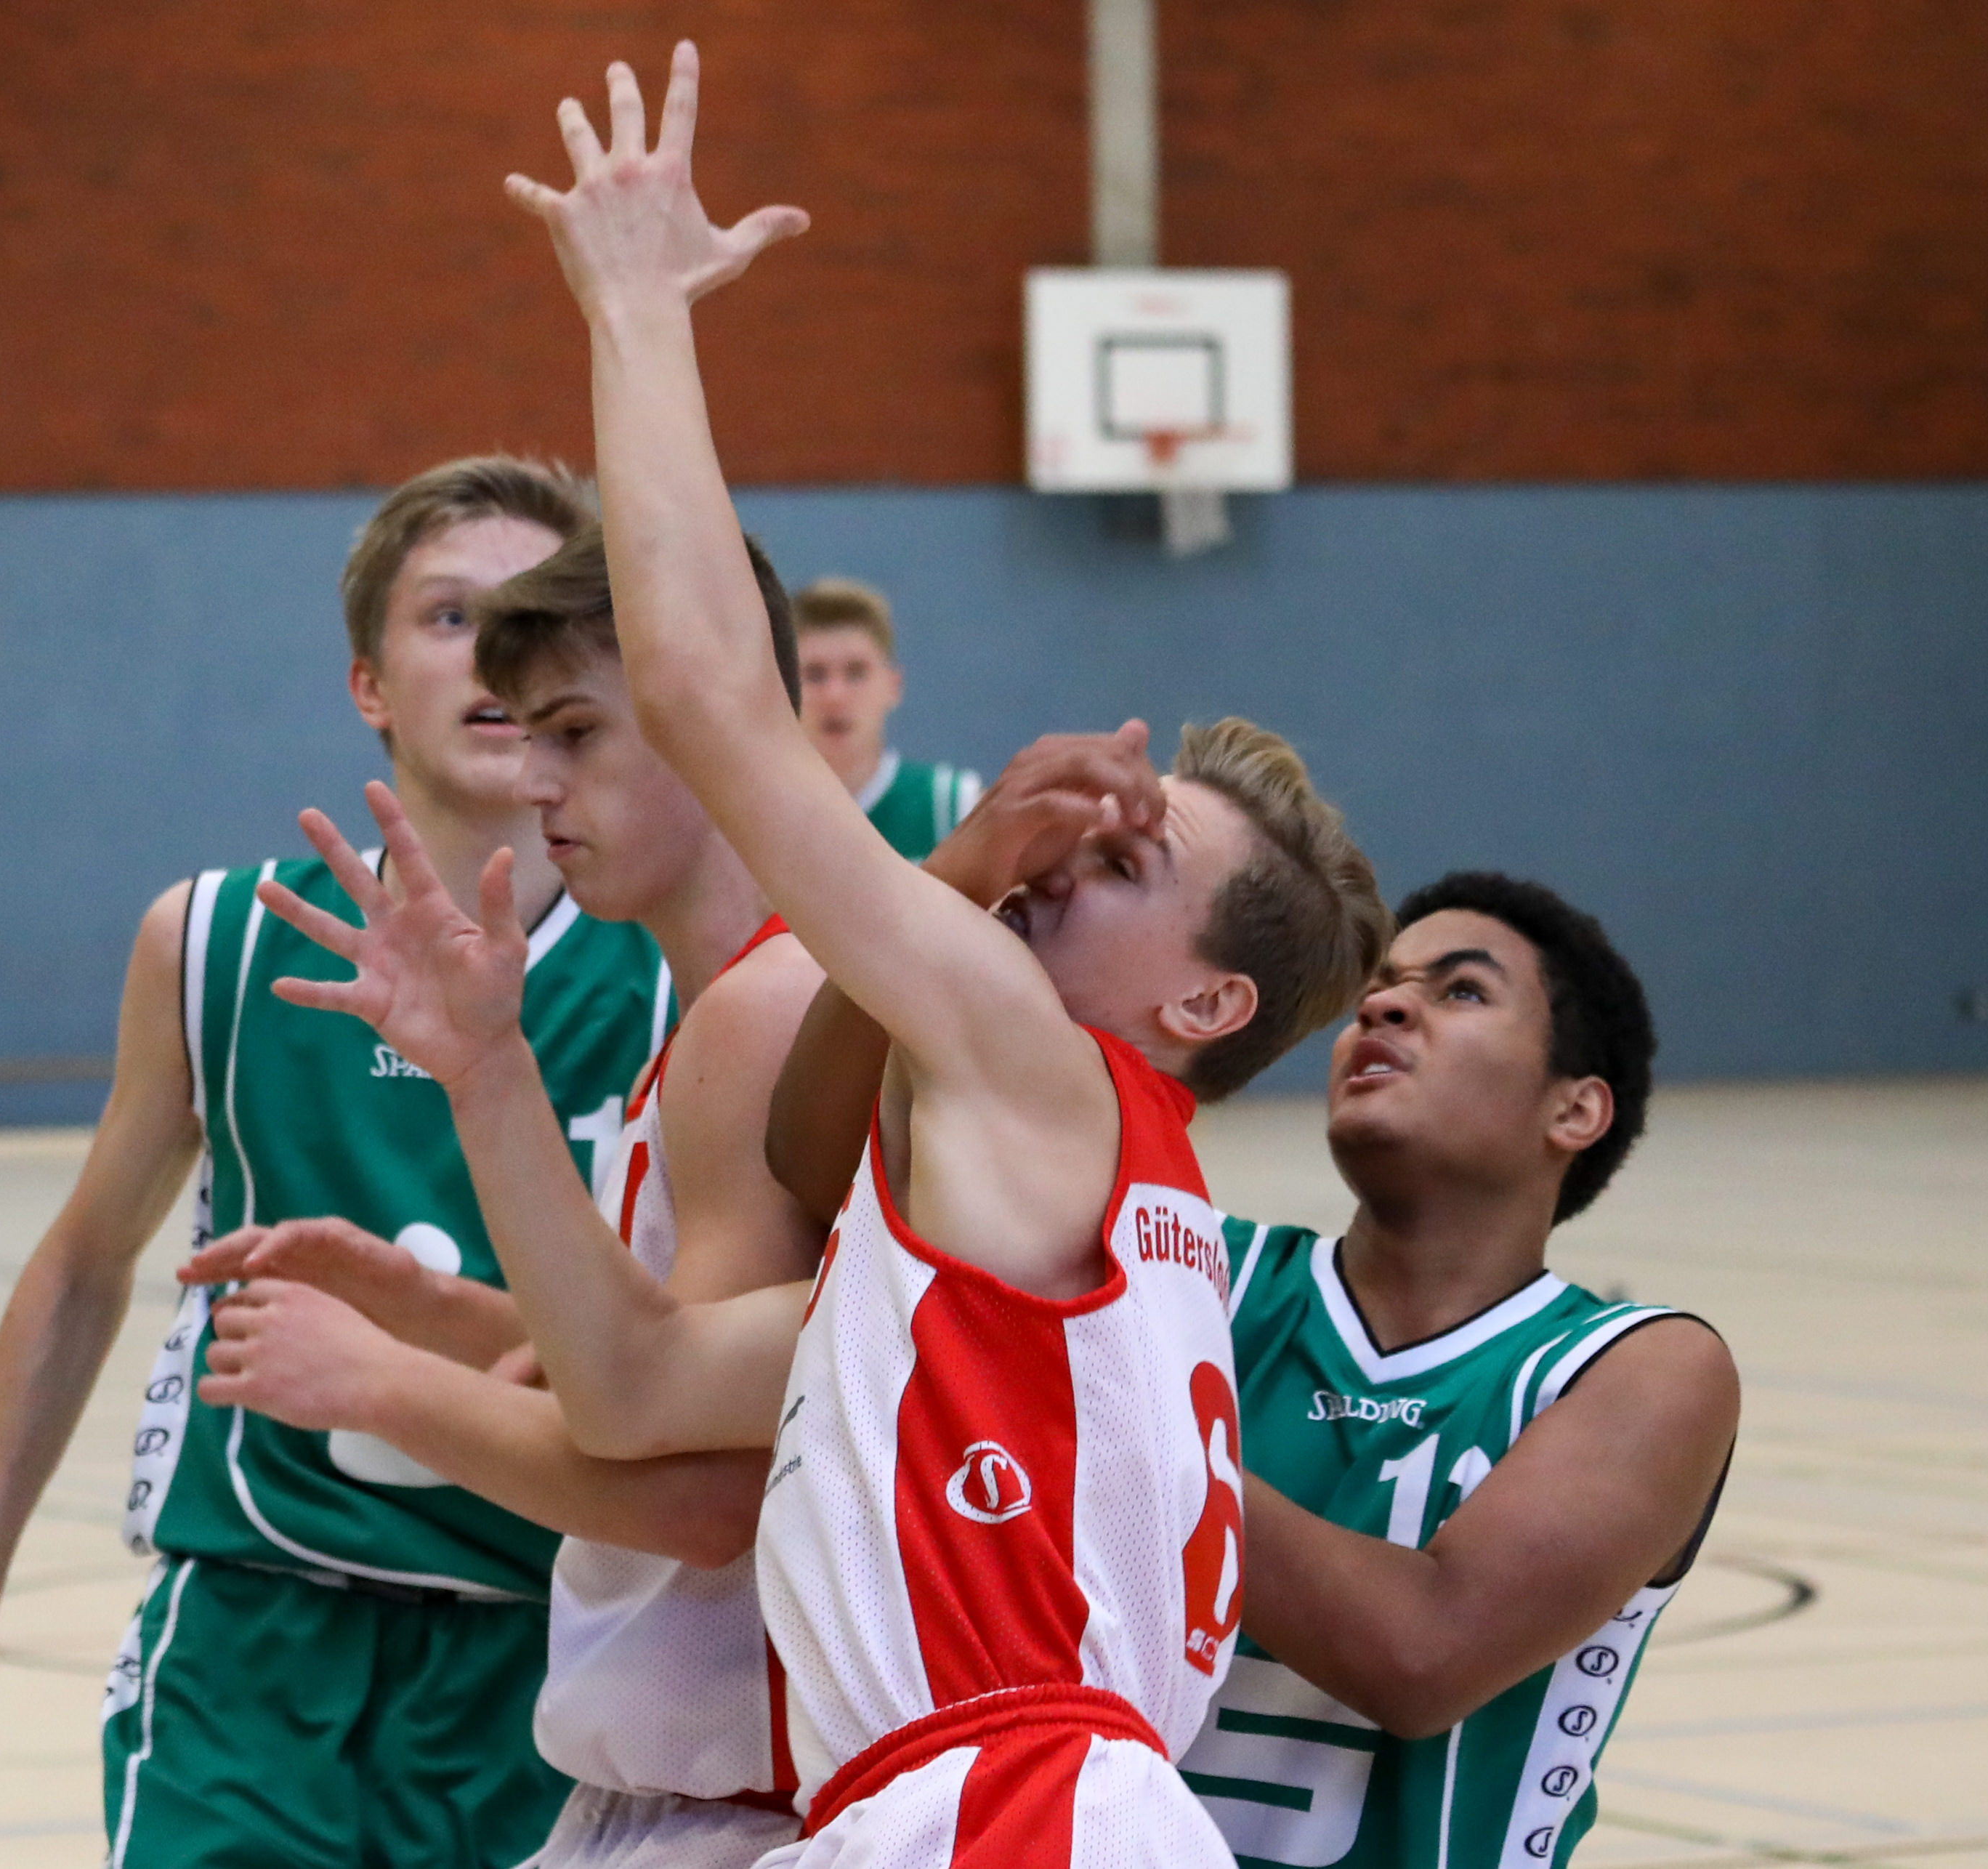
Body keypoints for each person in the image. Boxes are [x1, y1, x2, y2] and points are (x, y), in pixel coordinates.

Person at [250, 44, 1386, 1869]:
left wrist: (638, 310)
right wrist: (487, 1068)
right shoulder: (1010, 1245)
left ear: (1203, 1003)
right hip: (979, 1802)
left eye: (1128, 856)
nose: (1067, 846)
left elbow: (708, 689)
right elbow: (631, 1386)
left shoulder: (1045, 1078)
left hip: (1004, 1803)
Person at [0, 457, 677, 1869]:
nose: (490, 653)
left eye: (528, 618)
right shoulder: (213, 942)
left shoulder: (672, 973)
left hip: (546, 1651)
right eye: (449, 616)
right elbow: (83, 1265)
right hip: (253, 1640)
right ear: (366, 683)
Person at [764, 876, 1740, 1869]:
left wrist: (1108, 1418)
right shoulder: (1193, 1262)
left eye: (1459, 991)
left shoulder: (1641, 1367)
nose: (1385, 1006)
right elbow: (815, 1163)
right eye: (1380, 986)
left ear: (1575, 1109)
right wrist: (955, 886)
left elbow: (1424, 1653)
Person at [181, 522, 828, 1869]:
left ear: (716, 713)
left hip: (756, 1805)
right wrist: (441, 1313)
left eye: (574, 734)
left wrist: (378, 1381)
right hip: (676, 1798)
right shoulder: (710, 1014)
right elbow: (685, 1384)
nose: (533, 781)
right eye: (528, 736)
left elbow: (698, 1498)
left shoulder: (766, 1011)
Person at [792, 576, 979, 860]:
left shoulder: (955, 808)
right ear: (783, 688)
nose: (835, 696)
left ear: (893, 686)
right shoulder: (746, 813)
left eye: (856, 673)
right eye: (815, 674)